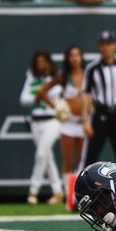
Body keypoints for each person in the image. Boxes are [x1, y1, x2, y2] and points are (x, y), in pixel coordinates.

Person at [80, 31, 116, 174]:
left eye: (109, 44)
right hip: (100, 113)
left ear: (115, 46)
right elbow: (85, 94)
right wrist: (86, 121)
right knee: (92, 155)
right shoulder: (93, 68)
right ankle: (86, 191)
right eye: (103, 44)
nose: (106, 48)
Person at [37, 46, 86, 182]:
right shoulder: (64, 76)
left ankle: (83, 195)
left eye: (77, 55)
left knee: (84, 162)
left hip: (84, 123)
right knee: (68, 161)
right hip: (68, 123)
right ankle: (68, 198)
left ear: (82, 57)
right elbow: (41, 91)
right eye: (72, 56)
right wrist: (56, 106)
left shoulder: (88, 75)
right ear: (68, 59)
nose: (75, 58)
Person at [20, 50, 63, 205]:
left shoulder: (55, 78)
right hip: (35, 121)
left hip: (52, 121)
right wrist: (38, 96)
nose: (41, 64)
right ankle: (58, 192)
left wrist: (41, 95)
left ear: (49, 62)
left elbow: (54, 96)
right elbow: (24, 99)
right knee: (47, 157)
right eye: (38, 61)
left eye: (43, 61)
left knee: (40, 155)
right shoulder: (31, 77)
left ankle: (33, 191)